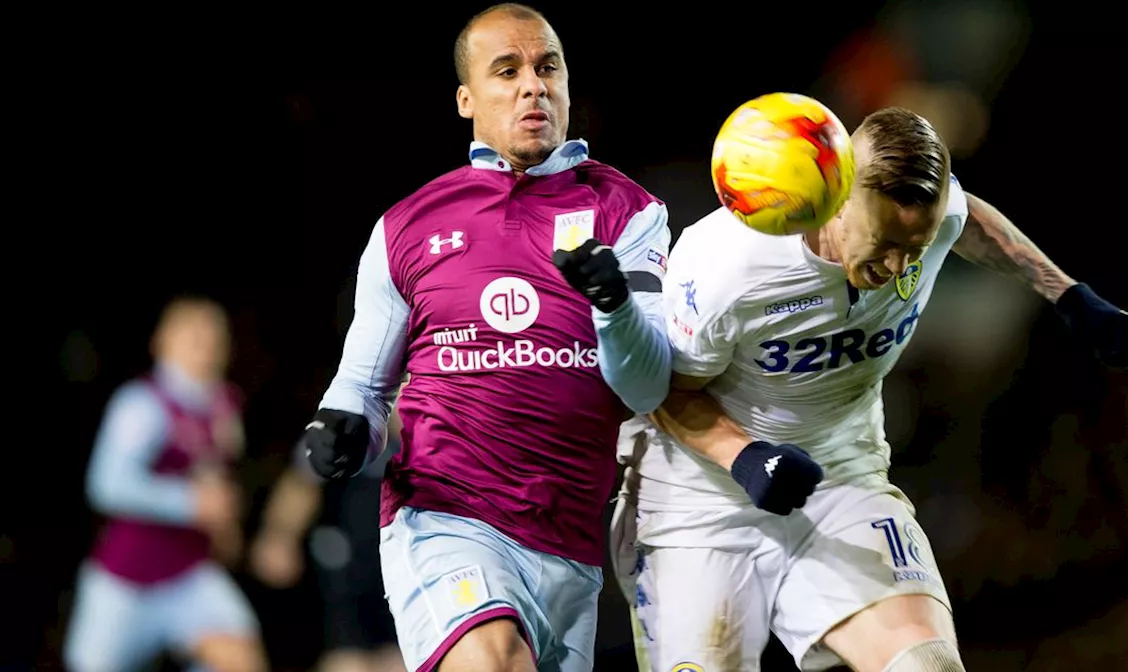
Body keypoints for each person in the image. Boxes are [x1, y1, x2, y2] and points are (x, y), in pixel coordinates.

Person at [612, 107, 1128, 672]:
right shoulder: (728, 264)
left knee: (927, 665)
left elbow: (970, 220)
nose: (896, 266)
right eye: (885, 242)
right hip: (698, 502)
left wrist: (1067, 294)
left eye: (914, 248)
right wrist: (745, 458)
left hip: (840, 479)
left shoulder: (925, 221)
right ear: (838, 195)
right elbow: (664, 392)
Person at [298, 4, 673, 672]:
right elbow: (361, 388)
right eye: (508, 71)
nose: (533, 85)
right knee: (494, 660)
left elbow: (646, 387)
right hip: (446, 517)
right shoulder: (407, 226)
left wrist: (614, 302)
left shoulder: (629, 212)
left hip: (570, 543)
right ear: (467, 99)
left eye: (546, 67)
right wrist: (346, 431)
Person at [64, 296, 268, 672]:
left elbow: (217, 476)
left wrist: (224, 525)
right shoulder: (142, 403)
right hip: (127, 579)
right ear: (163, 342)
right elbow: (106, 484)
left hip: (187, 573)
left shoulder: (224, 404)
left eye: (214, 337)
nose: (205, 346)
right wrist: (189, 504)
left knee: (241, 659)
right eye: (193, 335)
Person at [249, 379, 409, 672]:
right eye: (403, 390)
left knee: (402, 662)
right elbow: (301, 483)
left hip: (403, 570)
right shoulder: (344, 423)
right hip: (346, 567)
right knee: (348, 663)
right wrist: (279, 537)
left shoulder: (438, 436)